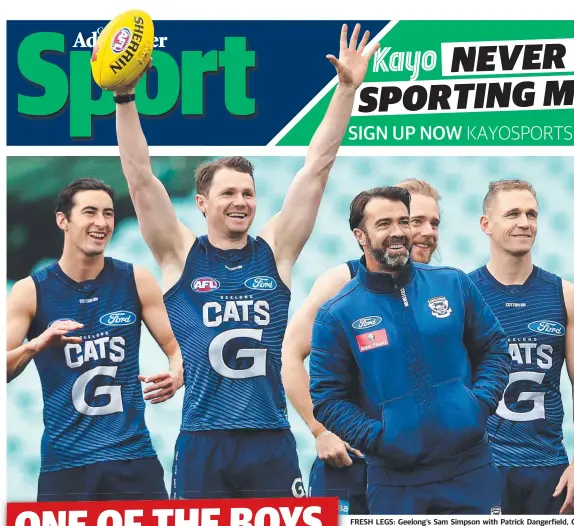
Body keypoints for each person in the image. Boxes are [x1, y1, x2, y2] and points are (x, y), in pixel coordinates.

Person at [113, 24, 380, 499]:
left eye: (248, 193)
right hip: (201, 440)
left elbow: (317, 165)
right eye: (228, 193)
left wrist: (345, 90)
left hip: (269, 438)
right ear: (201, 202)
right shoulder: (179, 254)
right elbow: (139, 177)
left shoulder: (274, 251)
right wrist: (125, 98)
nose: (241, 202)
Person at [309, 186, 511, 515]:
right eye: (384, 223)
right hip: (394, 484)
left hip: (472, 471)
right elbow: (328, 399)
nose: (398, 233)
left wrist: (477, 405)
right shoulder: (337, 313)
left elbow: (494, 348)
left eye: (404, 221)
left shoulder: (452, 283)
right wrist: (380, 438)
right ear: (360, 235)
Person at [6, 178, 183, 502]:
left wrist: (176, 375)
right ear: (63, 220)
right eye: (90, 212)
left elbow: (178, 348)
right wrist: (35, 344)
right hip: (66, 468)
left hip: (134, 461)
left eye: (108, 214)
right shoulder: (31, 291)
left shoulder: (136, 280)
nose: (101, 223)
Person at [281, 179, 441, 514]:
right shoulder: (344, 281)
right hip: (352, 463)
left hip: (421, 467)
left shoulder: (445, 290)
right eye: (416, 221)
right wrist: (320, 431)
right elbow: (289, 355)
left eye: (434, 223)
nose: (425, 232)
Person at [468, 180, 574, 515]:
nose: (524, 222)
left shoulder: (563, 294)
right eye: (512, 213)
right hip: (483, 466)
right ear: (487, 224)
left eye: (531, 214)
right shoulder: (464, 292)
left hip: (549, 468)